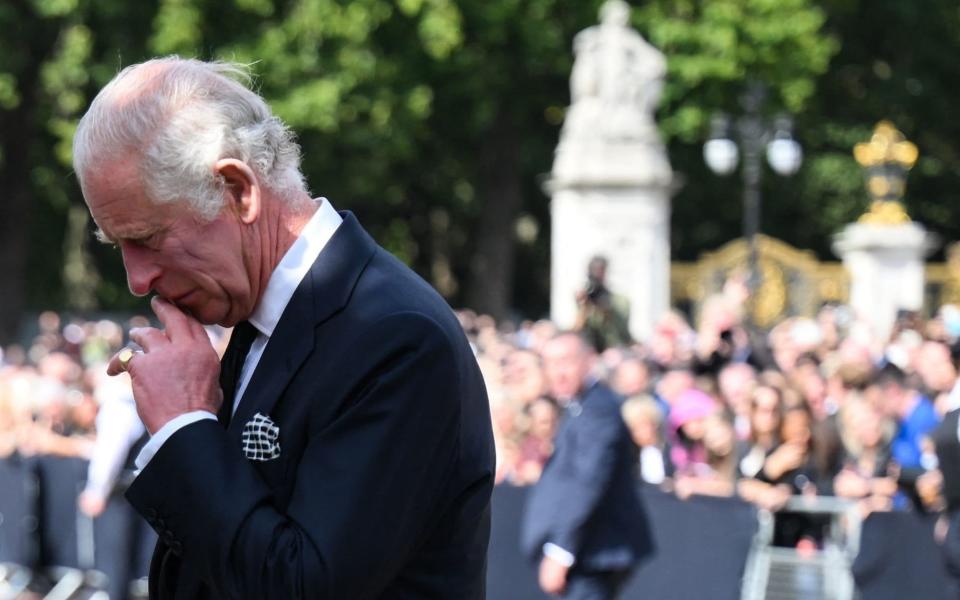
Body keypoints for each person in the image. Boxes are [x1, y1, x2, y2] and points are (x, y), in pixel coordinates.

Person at [72, 57, 495, 599]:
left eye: (148, 238)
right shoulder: (270, 315)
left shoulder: (395, 335)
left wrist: (184, 428)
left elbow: (301, 585)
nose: (136, 279)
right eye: (118, 246)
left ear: (238, 190)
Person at [521, 332, 650, 599]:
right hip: (588, 554)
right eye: (550, 363)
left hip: (592, 554)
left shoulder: (598, 409)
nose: (558, 371)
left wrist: (560, 551)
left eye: (566, 361)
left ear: (589, 361)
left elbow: (587, 482)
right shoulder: (580, 406)